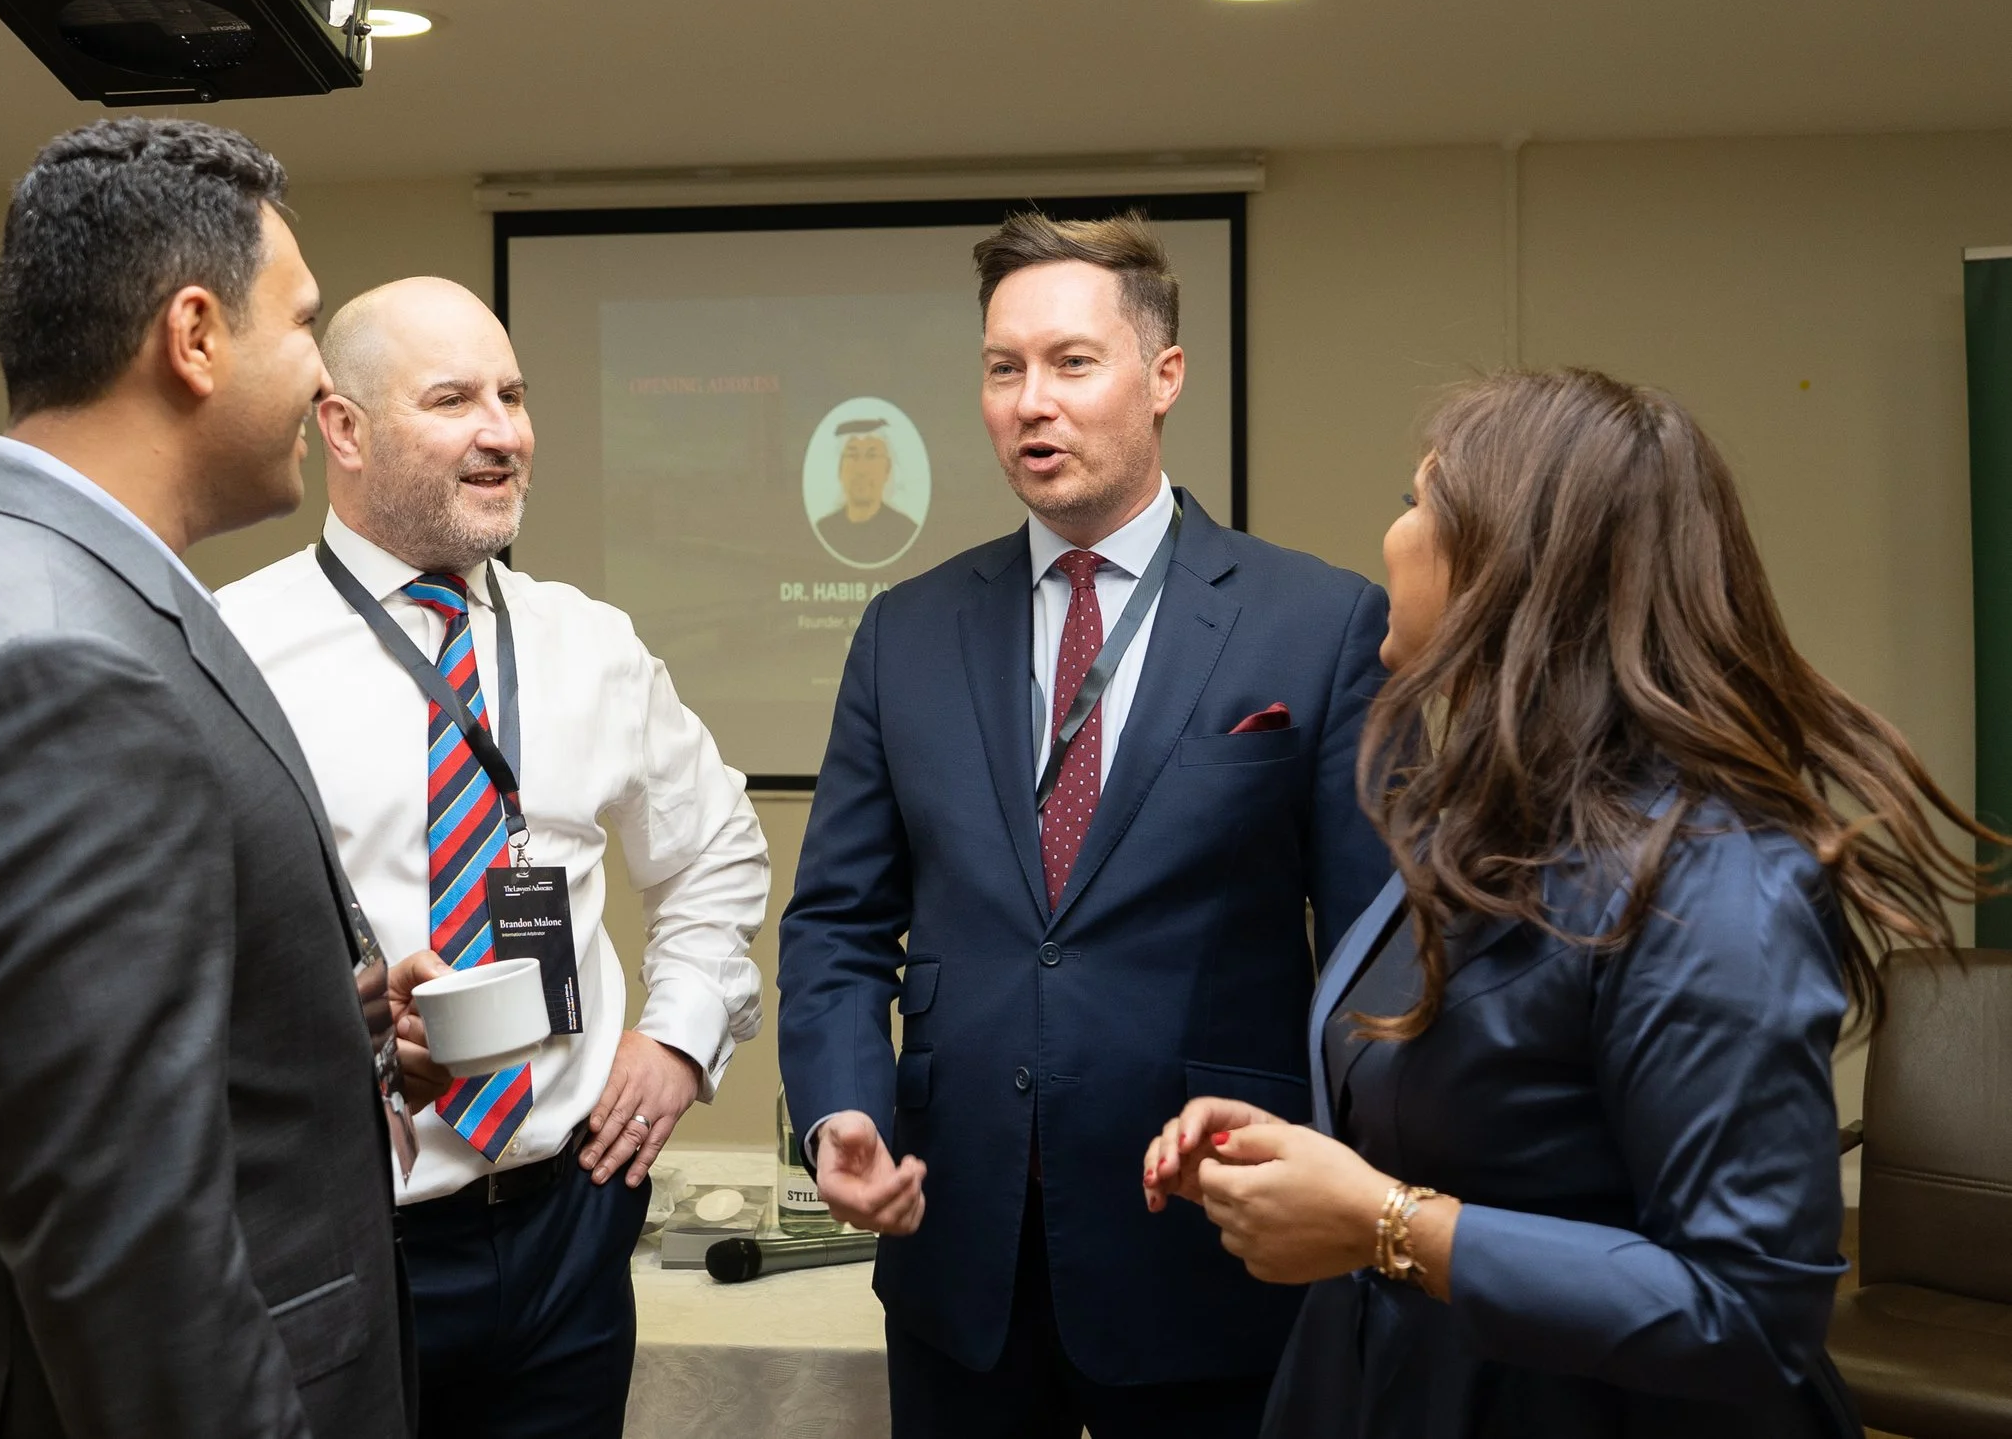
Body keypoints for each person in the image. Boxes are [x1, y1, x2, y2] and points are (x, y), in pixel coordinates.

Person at [1146, 367, 1991, 1437]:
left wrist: (1387, 1221)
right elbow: (1502, 1128)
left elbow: (1747, 1308)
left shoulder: (1713, 874)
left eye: (1416, 501)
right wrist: (1321, 1148)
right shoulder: (1484, 820)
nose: (1392, 533)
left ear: (1507, 564)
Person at [0, 118, 436, 1438]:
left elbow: (74, 1053)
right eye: (306, 322)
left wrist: (324, 1020)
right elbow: (124, 1253)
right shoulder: (52, 665)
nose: (326, 377)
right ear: (194, 334)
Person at [777, 210, 1394, 1439]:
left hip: (1213, 1239)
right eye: (1004, 367)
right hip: (960, 1250)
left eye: (1070, 362)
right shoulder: (906, 631)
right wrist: (840, 1105)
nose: (1029, 401)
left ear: (1163, 376)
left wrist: (1364, 1196)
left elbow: (1379, 949)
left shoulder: (1313, 622)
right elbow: (839, 921)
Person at [218, 275, 770, 1439]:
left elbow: (715, 847)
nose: (502, 432)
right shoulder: (232, 650)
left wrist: (678, 1034)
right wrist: (345, 1029)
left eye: (513, 395)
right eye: (454, 398)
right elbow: (175, 942)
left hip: (568, 1227)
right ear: (344, 428)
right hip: (346, 1232)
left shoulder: (588, 642)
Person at [815, 416, 921, 565]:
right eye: (852, 455)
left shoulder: (905, 530)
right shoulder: (825, 529)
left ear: (887, 469)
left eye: (871, 456)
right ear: (839, 468)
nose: (861, 470)